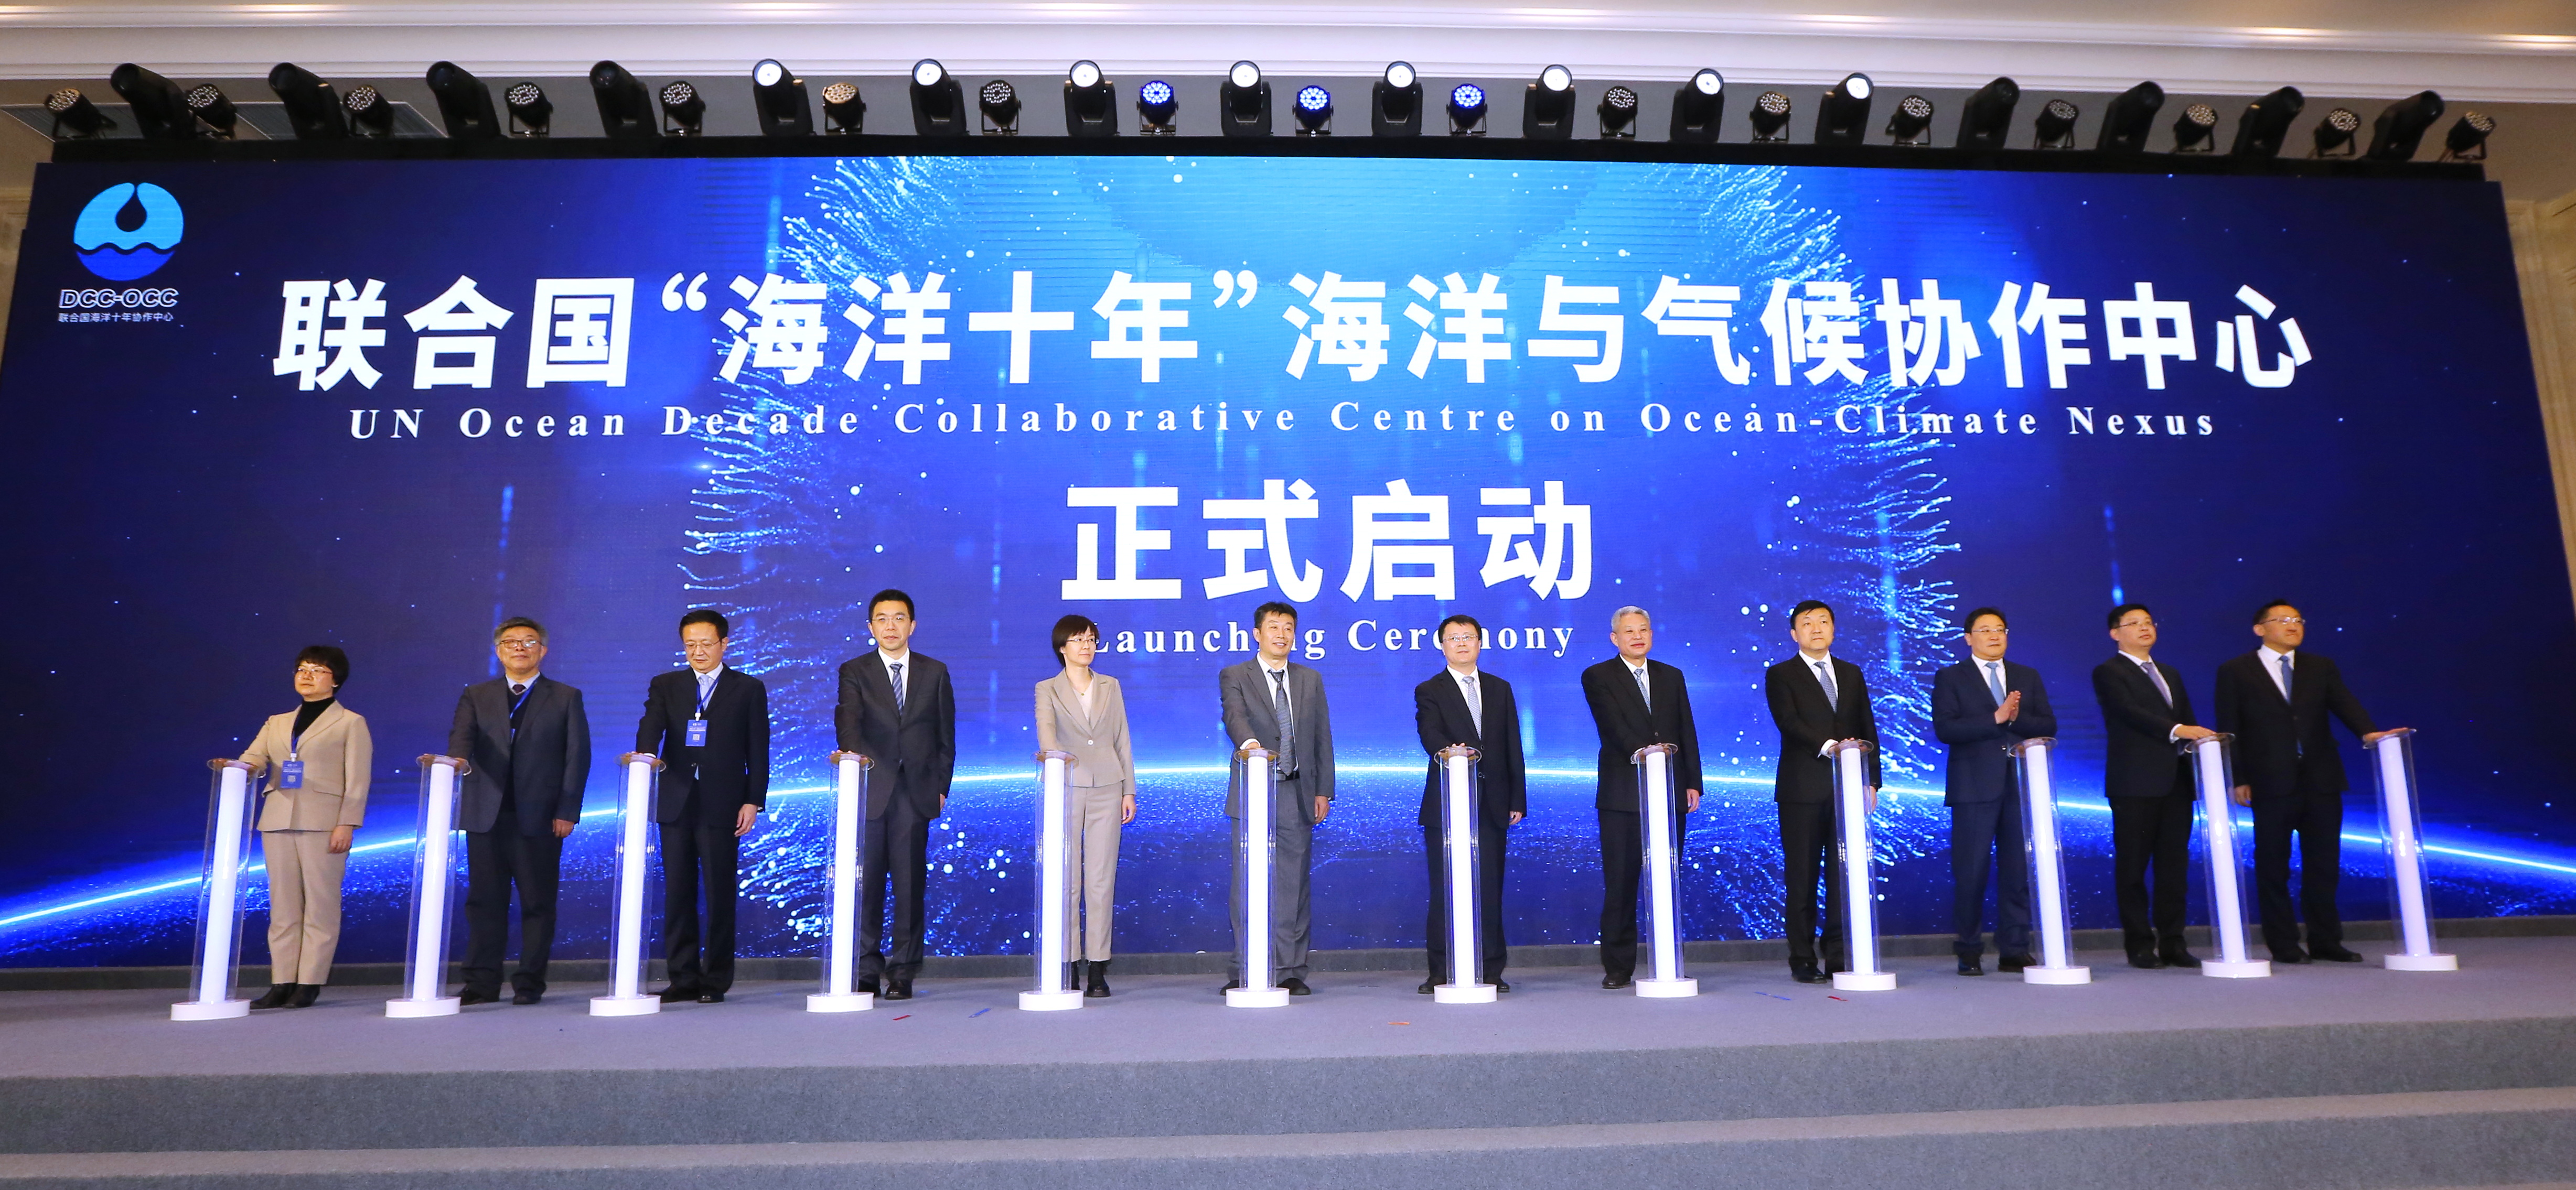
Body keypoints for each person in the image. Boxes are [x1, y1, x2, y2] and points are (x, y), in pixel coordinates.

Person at [2214, 600, 2400, 964]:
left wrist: (2368, 733)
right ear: (2260, 629)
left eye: (2298, 620)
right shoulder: (2235, 670)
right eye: (2283, 620)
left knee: (2324, 864)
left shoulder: (2320, 666)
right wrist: (2239, 778)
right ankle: (2283, 943)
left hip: (2320, 778)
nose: (2293, 625)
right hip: (2270, 781)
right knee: (2273, 866)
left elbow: (2345, 703)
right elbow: (2229, 725)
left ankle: (2326, 940)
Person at [446, 616, 590, 1005]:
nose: (520, 648)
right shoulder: (477, 695)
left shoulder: (565, 696)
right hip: (485, 815)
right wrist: (453, 763)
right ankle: (481, 983)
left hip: (541, 817)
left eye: (529, 642)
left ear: (543, 651)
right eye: (511, 642)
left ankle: (529, 984)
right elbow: (461, 741)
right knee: (483, 903)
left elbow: (577, 757)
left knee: (537, 904)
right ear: (499, 652)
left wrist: (568, 810)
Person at [636, 608, 769, 1004]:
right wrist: (644, 757)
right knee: (677, 892)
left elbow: (758, 750)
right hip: (676, 801)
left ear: (724, 644)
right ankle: (683, 978)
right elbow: (650, 728)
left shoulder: (747, 688)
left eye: (706, 644)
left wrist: (753, 800)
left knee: (718, 893)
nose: (698, 652)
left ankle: (715, 980)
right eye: (690, 645)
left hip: (723, 801)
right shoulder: (667, 685)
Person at [232, 645, 372, 1009]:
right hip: (278, 818)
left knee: (320, 905)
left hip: (324, 822)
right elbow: (254, 756)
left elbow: (358, 779)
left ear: (335, 680)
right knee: (283, 907)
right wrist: (239, 768)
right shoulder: (277, 721)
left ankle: (309, 982)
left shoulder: (350, 722)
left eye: (317, 670)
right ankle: (282, 981)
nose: (306, 675)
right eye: (301, 669)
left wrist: (347, 823)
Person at [833, 589, 956, 1002]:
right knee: (867, 887)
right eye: (882, 619)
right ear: (871, 627)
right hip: (871, 789)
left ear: (912, 625)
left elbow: (945, 737)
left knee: (909, 887)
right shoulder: (855, 670)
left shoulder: (935, 672)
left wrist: (941, 787)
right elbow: (849, 728)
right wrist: (856, 775)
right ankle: (867, 970)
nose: (891, 626)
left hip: (916, 793)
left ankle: (903, 972)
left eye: (899, 618)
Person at [1580, 605, 1703, 990]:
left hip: (1669, 792)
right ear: (1614, 638)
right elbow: (1611, 727)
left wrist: (1693, 781)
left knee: (1667, 879)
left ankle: (1668, 961)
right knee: (1621, 883)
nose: (1637, 636)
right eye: (1629, 631)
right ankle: (1618, 966)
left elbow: (1686, 730)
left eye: (1643, 630)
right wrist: (1646, 751)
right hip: (1622, 795)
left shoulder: (1671, 676)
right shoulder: (1598, 676)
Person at [1930, 607, 2057, 977]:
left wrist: (2015, 717)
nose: (1994, 635)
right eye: (1985, 630)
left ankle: (2014, 949)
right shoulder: (1951, 677)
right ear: (1968, 638)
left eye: (2000, 629)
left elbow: (2048, 724)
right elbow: (1946, 729)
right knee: (1971, 873)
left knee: (2017, 872)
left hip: (2020, 785)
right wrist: (1995, 719)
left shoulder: (2027, 676)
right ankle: (1969, 950)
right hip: (1973, 787)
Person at [1217, 601, 1335, 996]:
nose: (1281, 635)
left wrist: (1323, 790)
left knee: (1293, 886)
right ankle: (1246, 967)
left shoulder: (1309, 679)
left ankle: (1290, 970)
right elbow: (1234, 716)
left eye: (1288, 628)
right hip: (1254, 788)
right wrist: (1251, 747)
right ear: (1257, 633)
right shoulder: (1236, 674)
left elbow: (1321, 736)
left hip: (1296, 791)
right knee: (1247, 883)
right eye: (1273, 627)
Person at [2091, 602, 2215, 969]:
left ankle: (2174, 943)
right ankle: (2140, 945)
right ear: (2115, 634)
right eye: (2134, 624)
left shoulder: (2170, 673)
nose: (2145, 628)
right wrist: (2178, 730)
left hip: (2176, 783)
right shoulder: (2109, 672)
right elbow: (2129, 712)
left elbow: (2188, 720)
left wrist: (2199, 743)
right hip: (2134, 784)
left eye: (2148, 622)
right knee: (2133, 868)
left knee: (2173, 869)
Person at [1764, 600, 1881, 985]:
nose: (1817, 629)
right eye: (1808, 623)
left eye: (1824, 622)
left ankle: (1839, 955)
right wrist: (1832, 747)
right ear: (1794, 633)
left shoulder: (1851, 673)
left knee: (1842, 875)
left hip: (1847, 789)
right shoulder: (1781, 674)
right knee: (1802, 876)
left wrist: (1871, 780)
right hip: (1801, 790)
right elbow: (1788, 722)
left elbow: (1867, 726)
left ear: (1833, 629)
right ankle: (1802, 958)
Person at [1412, 614, 1527, 994]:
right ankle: (1441, 971)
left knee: (1489, 889)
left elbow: (1512, 746)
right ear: (1442, 645)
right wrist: (1450, 752)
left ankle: (1491, 969)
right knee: (1446, 888)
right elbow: (1429, 732)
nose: (1462, 643)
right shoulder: (1430, 689)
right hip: (1447, 804)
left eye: (1468, 637)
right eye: (1453, 638)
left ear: (1480, 643)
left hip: (1493, 803)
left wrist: (1517, 798)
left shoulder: (1499, 688)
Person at [1034, 613, 1133, 998]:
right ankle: (1068, 962)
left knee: (1101, 880)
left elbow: (1122, 739)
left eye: (1091, 639)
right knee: (1067, 880)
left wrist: (1129, 790)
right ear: (1062, 647)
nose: (1087, 646)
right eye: (1078, 640)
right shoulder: (1047, 688)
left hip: (1109, 786)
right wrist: (1055, 761)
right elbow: (1047, 734)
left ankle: (1098, 966)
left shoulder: (1111, 685)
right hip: (1067, 788)